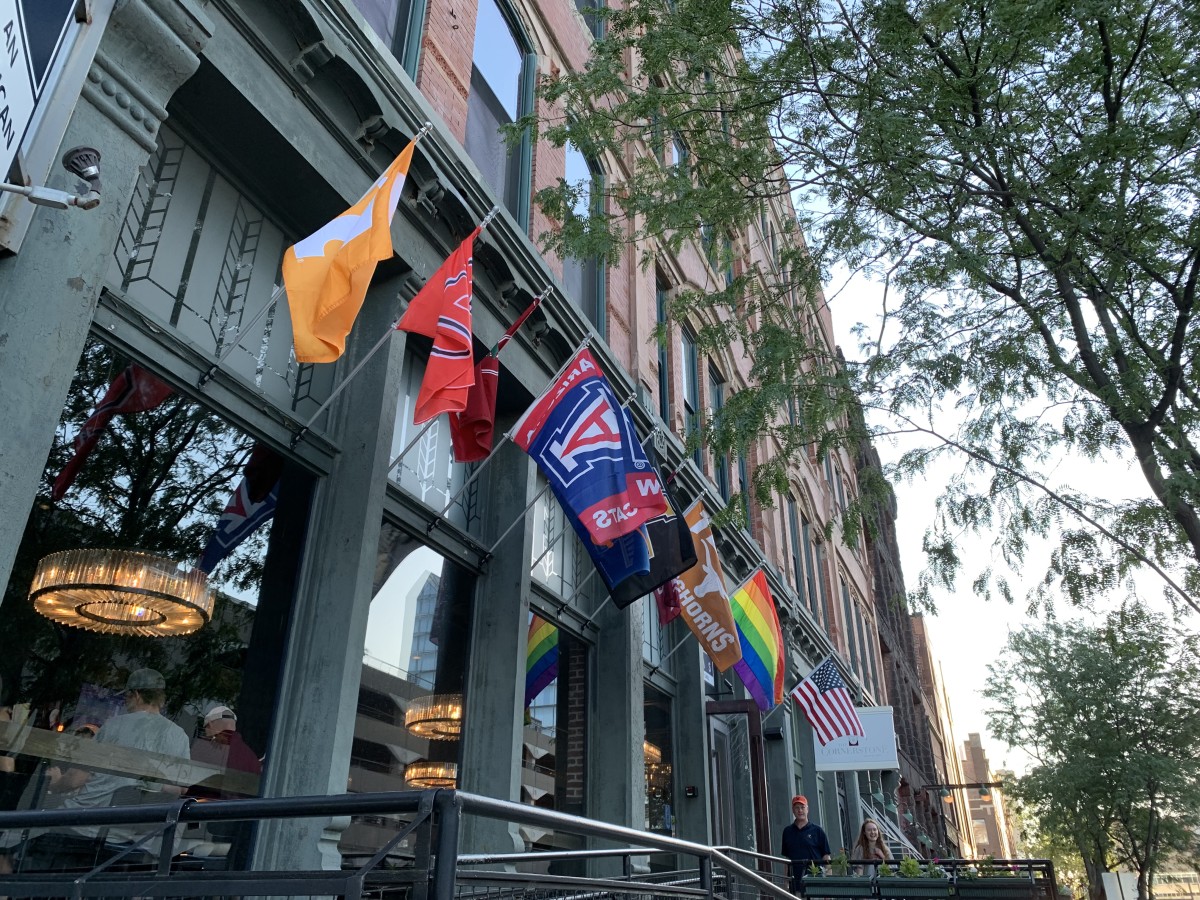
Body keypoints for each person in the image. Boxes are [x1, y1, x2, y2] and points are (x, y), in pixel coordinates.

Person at [19, 668, 192, 868]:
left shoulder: (114, 725)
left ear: (136, 695)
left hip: (86, 826)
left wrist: (56, 783)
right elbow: (180, 789)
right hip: (130, 839)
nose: (126, 702)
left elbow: (76, 779)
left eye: (127, 696)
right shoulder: (179, 736)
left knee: (24, 844)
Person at [780, 794, 831, 892]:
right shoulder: (787, 831)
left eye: (802, 807)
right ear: (793, 810)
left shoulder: (817, 831)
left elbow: (826, 857)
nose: (800, 810)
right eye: (797, 808)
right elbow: (787, 859)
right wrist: (786, 882)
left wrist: (828, 882)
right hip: (795, 883)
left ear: (807, 809)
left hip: (815, 881)